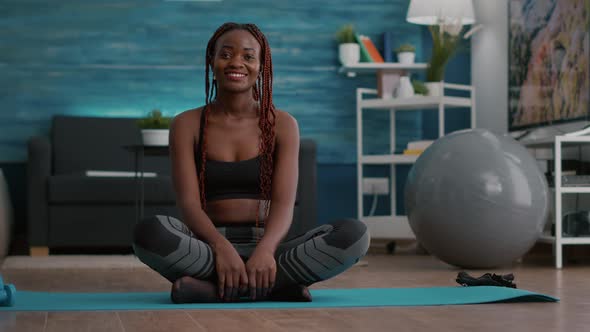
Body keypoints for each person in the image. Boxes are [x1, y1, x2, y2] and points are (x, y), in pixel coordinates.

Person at [132, 22, 370, 303]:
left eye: (248, 56)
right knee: (148, 234)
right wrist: (221, 248)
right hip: (207, 248)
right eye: (226, 54)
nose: (236, 63)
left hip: (269, 249)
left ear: (261, 65)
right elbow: (190, 205)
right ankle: (276, 287)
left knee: (354, 236)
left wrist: (266, 250)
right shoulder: (187, 124)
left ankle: (214, 290)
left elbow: (283, 204)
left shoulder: (282, 124)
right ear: (212, 61)